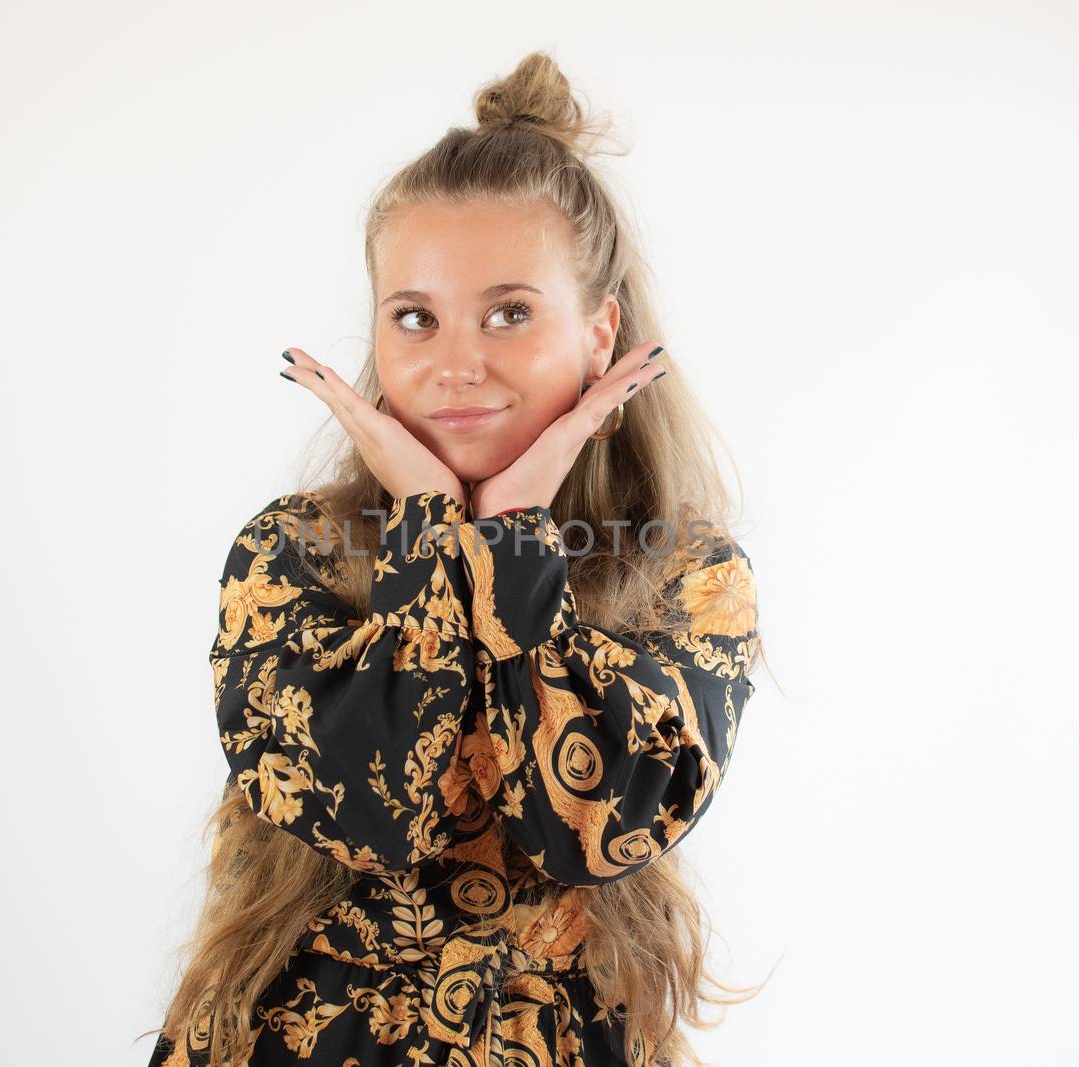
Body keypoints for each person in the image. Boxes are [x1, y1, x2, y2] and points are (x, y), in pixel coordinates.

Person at [142, 50, 767, 1067]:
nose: (453, 363)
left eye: (509, 312)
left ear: (599, 332)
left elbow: (590, 827)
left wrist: (513, 541)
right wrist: (433, 526)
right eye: (414, 317)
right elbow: (362, 806)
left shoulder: (684, 573)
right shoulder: (289, 554)